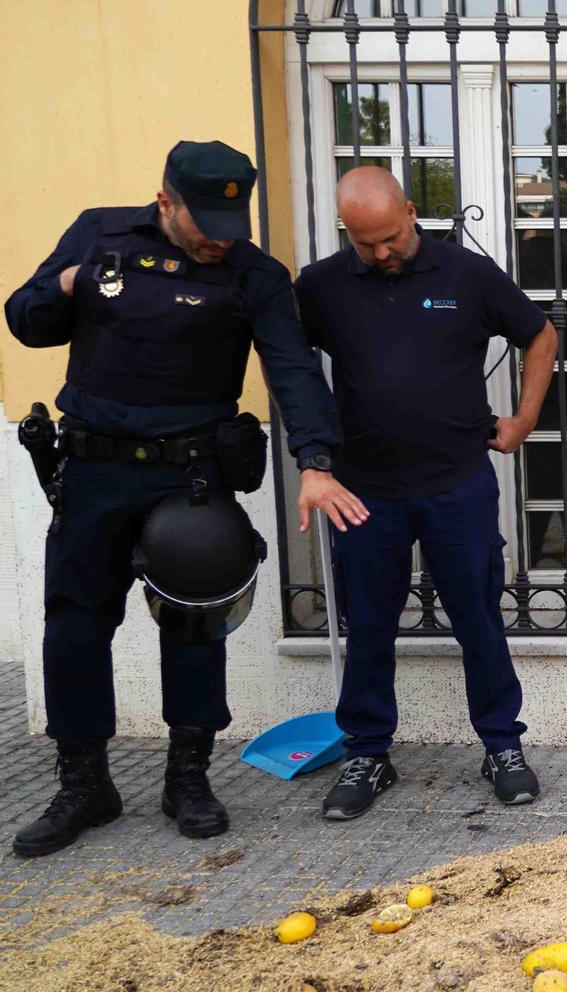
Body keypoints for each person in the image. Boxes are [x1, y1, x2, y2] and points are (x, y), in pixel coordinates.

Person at [4, 141, 364, 857]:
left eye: (231, 222)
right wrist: (69, 282)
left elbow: (291, 367)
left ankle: (187, 777)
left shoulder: (254, 274)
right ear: (164, 201)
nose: (218, 239)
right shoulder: (98, 234)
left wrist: (316, 461)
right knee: (73, 625)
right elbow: (27, 320)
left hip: (191, 474)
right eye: (205, 223)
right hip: (93, 468)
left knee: (196, 625)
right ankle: (84, 783)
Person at [295, 167, 558, 820]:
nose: (380, 253)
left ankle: (502, 745)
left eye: (388, 237)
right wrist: (316, 457)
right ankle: (367, 752)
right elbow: (290, 364)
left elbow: (540, 333)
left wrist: (523, 419)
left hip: (457, 483)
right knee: (371, 626)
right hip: (364, 491)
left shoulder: (464, 274)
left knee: (478, 619)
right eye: (365, 243)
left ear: (410, 212)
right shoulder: (322, 287)